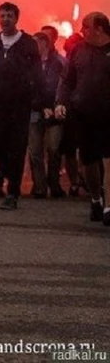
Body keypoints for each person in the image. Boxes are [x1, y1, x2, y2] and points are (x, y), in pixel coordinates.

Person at [0, 2, 43, 211]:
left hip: (20, 104)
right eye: (2, 15)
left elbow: (37, 73)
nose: (5, 19)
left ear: (16, 18)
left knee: (17, 148)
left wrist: (39, 100)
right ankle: (6, 171)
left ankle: (12, 191)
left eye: (9, 15)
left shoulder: (28, 43)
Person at [56, 12, 110, 225]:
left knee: (109, 158)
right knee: (89, 161)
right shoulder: (78, 50)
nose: (82, 31)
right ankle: (96, 199)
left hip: (108, 114)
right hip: (84, 114)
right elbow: (67, 80)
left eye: (85, 27)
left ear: (99, 28)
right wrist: (61, 102)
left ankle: (108, 207)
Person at [28, 31, 65, 198]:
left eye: (36, 42)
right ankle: (39, 187)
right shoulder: (27, 65)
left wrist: (57, 106)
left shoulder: (59, 63)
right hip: (35, 113)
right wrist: (41, 106)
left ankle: (54, 184)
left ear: (44, 44)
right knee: (35, 151)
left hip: (54, 114)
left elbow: (63, 87)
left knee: (54, 149)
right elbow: (27, 89)